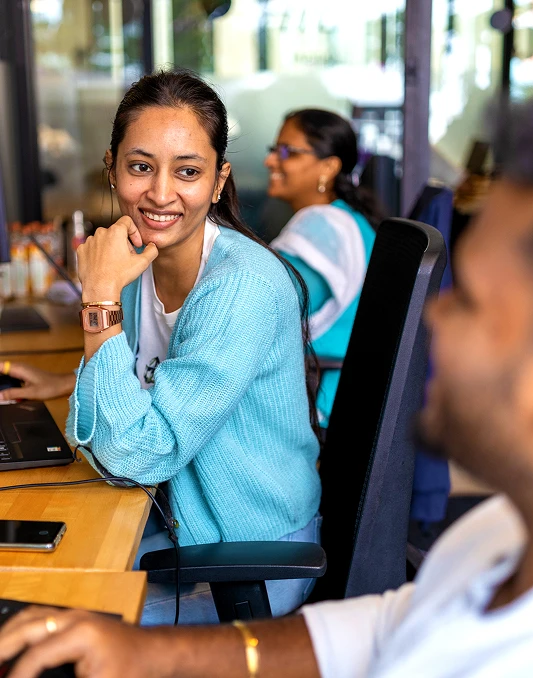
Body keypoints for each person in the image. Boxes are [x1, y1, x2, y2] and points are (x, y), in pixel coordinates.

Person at [6, 84, 533, 676]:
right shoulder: (501, 535)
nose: (436, 319)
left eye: (472, 300)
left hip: (226, 547)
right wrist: (150, 656)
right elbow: (388, 626)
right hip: (187, 523)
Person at [0, 70, 322, 622]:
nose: (160, 193)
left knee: (44, 618)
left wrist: (97, 297)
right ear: (113, 169)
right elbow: (111, 413)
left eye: (188, 171)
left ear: (218, 181)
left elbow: (135, 455)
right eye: (140, 166)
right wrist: (77, 378)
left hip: (243, 553)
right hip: (176, 520)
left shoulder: (240, 286)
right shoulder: (136, 260)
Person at [264, 109, 383, 424]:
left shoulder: (322, 226)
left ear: (329, 167)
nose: (271, 161)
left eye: (287, 151)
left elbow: (263, 311)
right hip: (341, 392)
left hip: (319, 401)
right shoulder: (346, 218)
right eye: (274, 149)